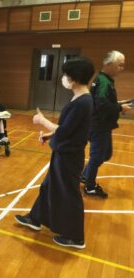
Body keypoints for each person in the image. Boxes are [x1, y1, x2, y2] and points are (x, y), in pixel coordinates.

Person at [14, 57, 95, 249]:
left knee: (69, 195)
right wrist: (50, 136)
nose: (64, 78)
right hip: (63, 152)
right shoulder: (80, 98)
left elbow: (65, 130)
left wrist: (42, 120)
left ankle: (76, 237)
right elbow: (69, 128)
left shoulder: (83, 102)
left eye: (66, 75)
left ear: (74, 78)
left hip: (69, 156)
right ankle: (35, 218)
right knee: (48, 186)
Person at [81, 50, 132, 198]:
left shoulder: (105, 80)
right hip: (98, 126)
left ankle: (85, 175)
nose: (121, 69)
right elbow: (101, 105)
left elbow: (102, 102)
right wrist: (120, 108)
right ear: (108, 64)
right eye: (119, 65)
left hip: (103, 125)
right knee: (98, 156)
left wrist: (117, 103)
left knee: (105, 154)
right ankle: (89, 186)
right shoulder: (103, 81)